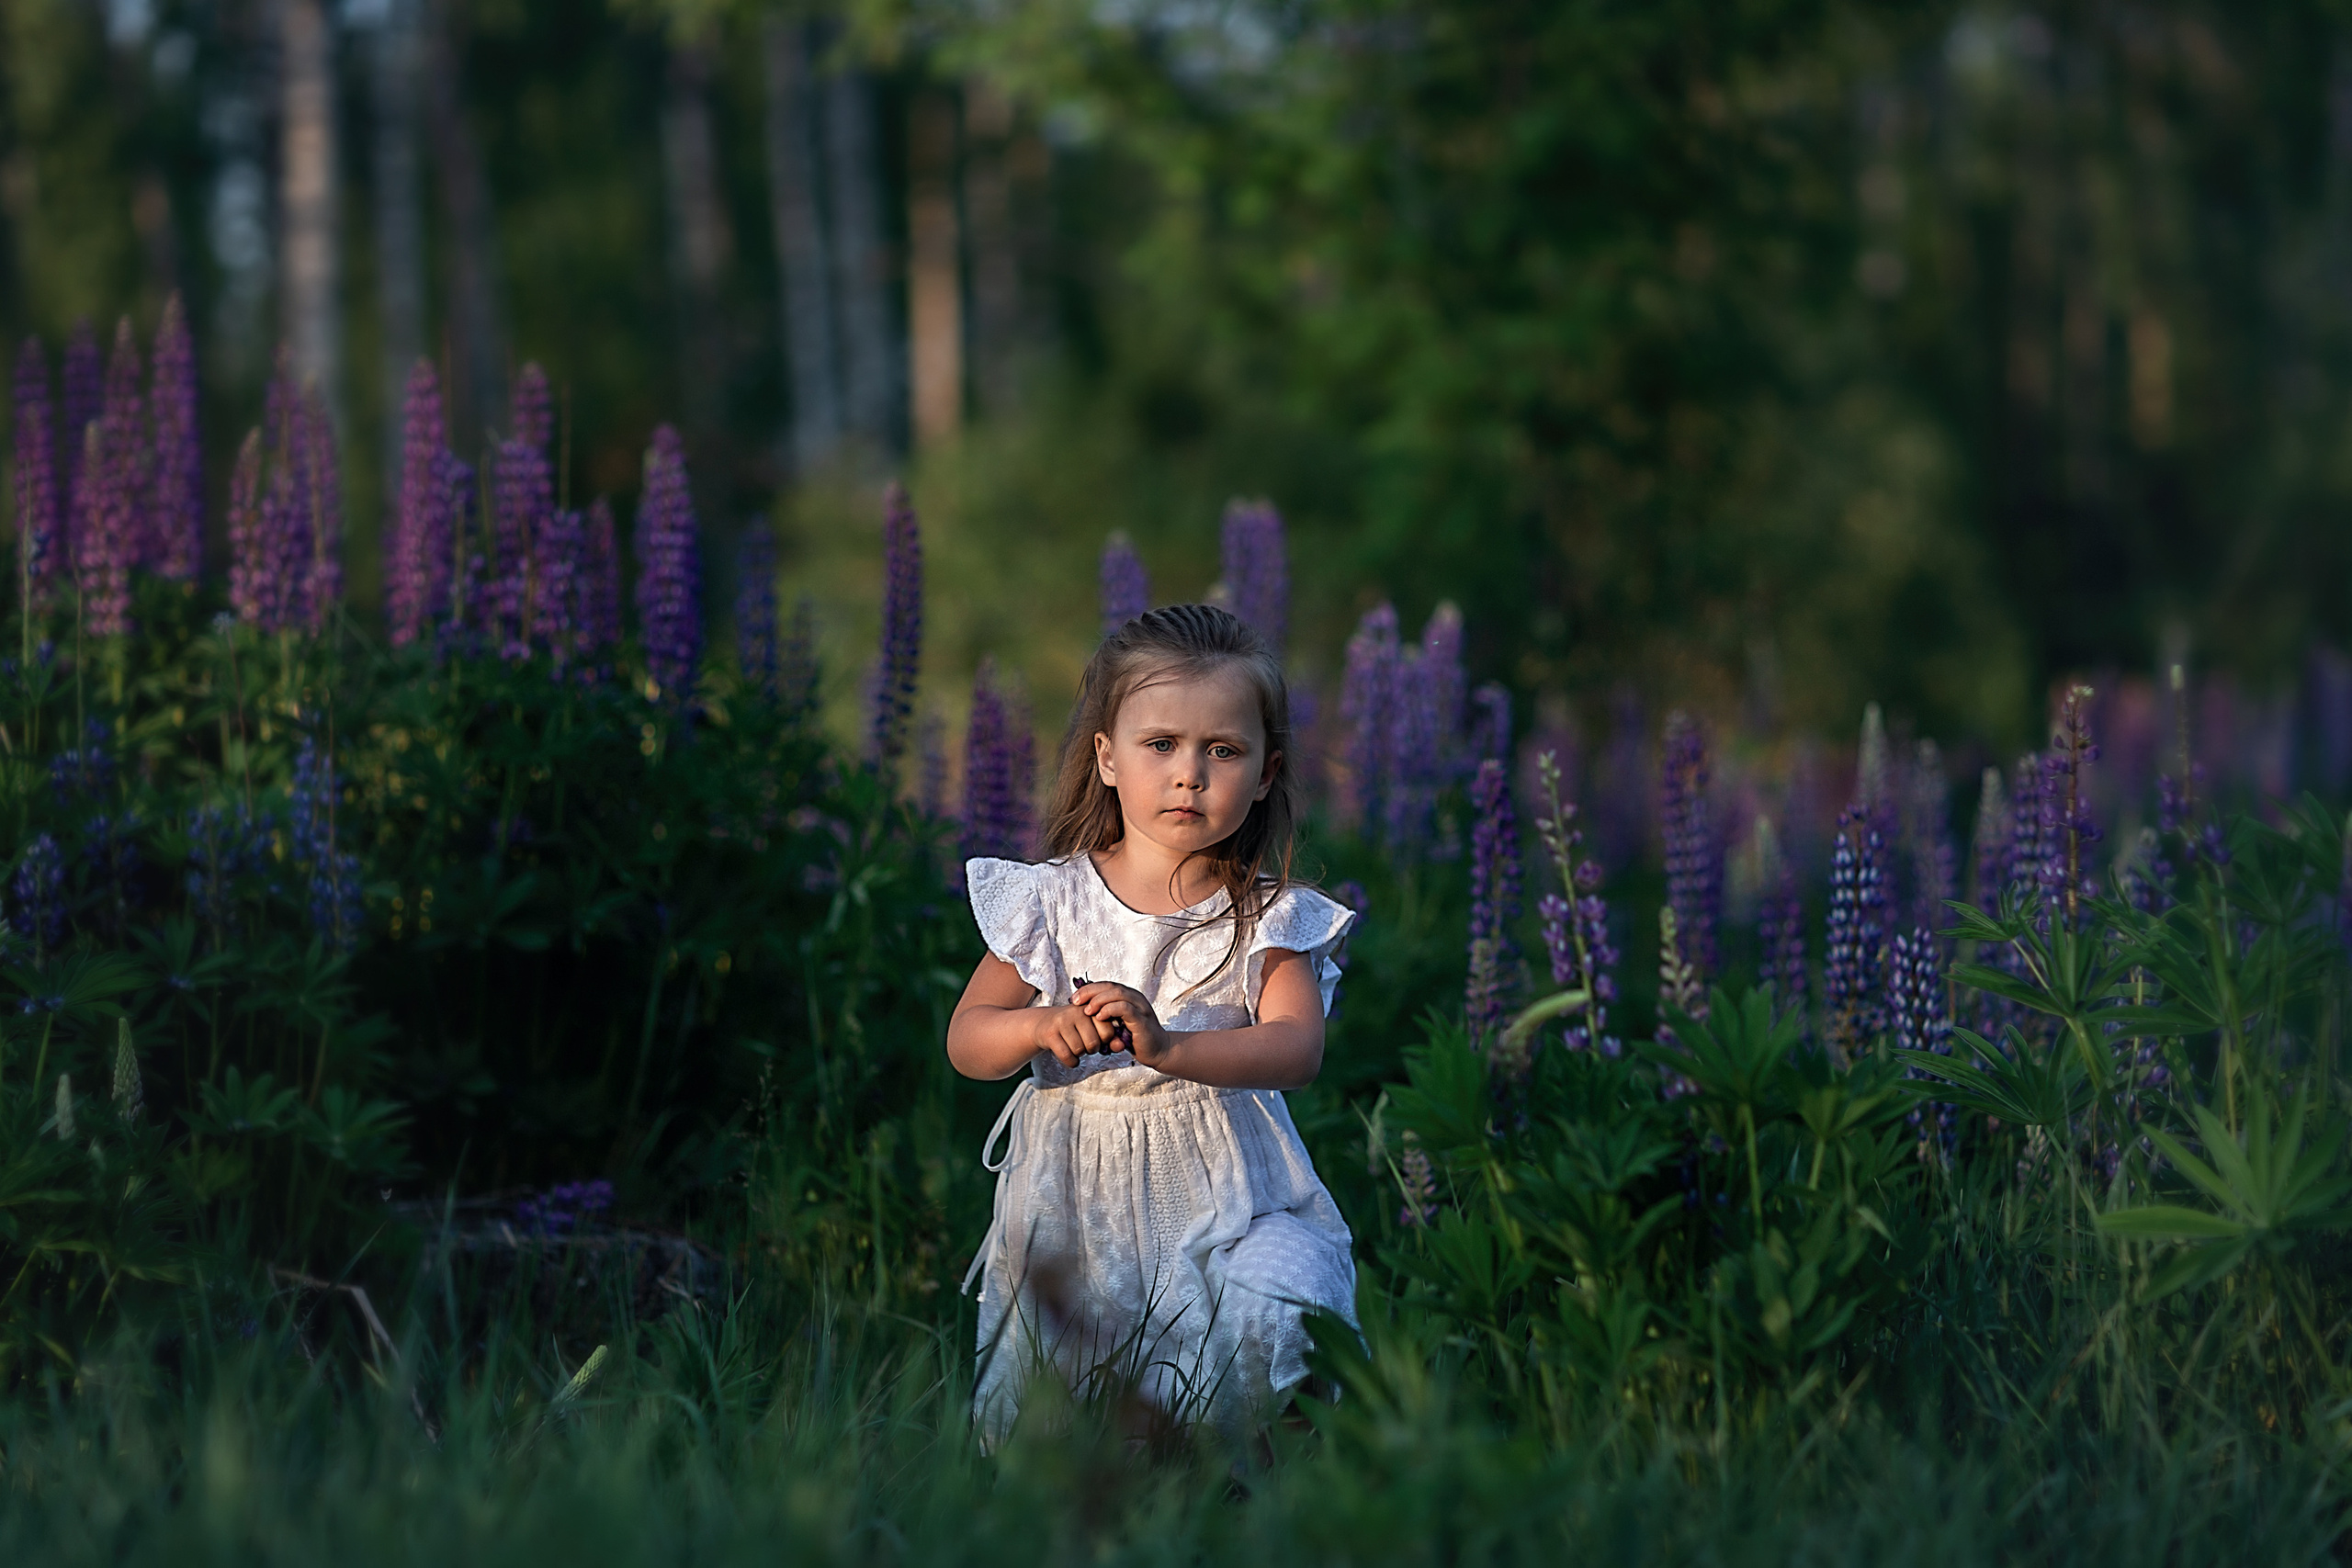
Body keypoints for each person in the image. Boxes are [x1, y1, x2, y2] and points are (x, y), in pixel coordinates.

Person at [947, 603, 1358, 1446]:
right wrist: (1040, 1027)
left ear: (1267, 772)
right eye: (1161, 744)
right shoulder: (1052, 901)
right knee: (1075, 1410)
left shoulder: (1268, 916)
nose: (1190, 775)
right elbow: (969, 1038)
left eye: (1224, 750)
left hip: (1229, 1198)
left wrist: (1172, 1048)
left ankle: (1260, 1471)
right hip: (1073, 1207)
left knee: (1284, 1297)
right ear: (1106, 757)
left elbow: (1297, 1045)